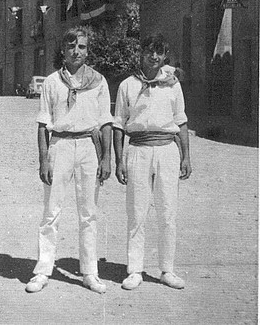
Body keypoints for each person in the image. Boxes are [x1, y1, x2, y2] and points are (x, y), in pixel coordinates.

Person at [25, 27, 113, 294]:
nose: (77, 51)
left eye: (82, 47)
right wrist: (44, 160)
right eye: (71, 46)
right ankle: (42, 270)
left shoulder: (99, 81)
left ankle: (89, 272)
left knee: (89, 213)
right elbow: (43, 124)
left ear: (88, 51)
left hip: (88, 146)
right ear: (62, 51)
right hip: (60, 146)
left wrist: (106, 158)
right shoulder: (52, 82)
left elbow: (106, 122)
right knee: (51, 212)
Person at [113, 33, 192, 291]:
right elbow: (118, 125)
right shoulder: (127, 85)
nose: (154, 57)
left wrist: (186, 157)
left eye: (159, 52)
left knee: (168, 212)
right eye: (149, 51)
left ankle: (167, 269)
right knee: (136, 212)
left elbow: (180, 122)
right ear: (141, 52)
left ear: (165, 56)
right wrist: (119, 160)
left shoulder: (173, 85)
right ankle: (135, 270)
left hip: (167, 151)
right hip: (138, 150)